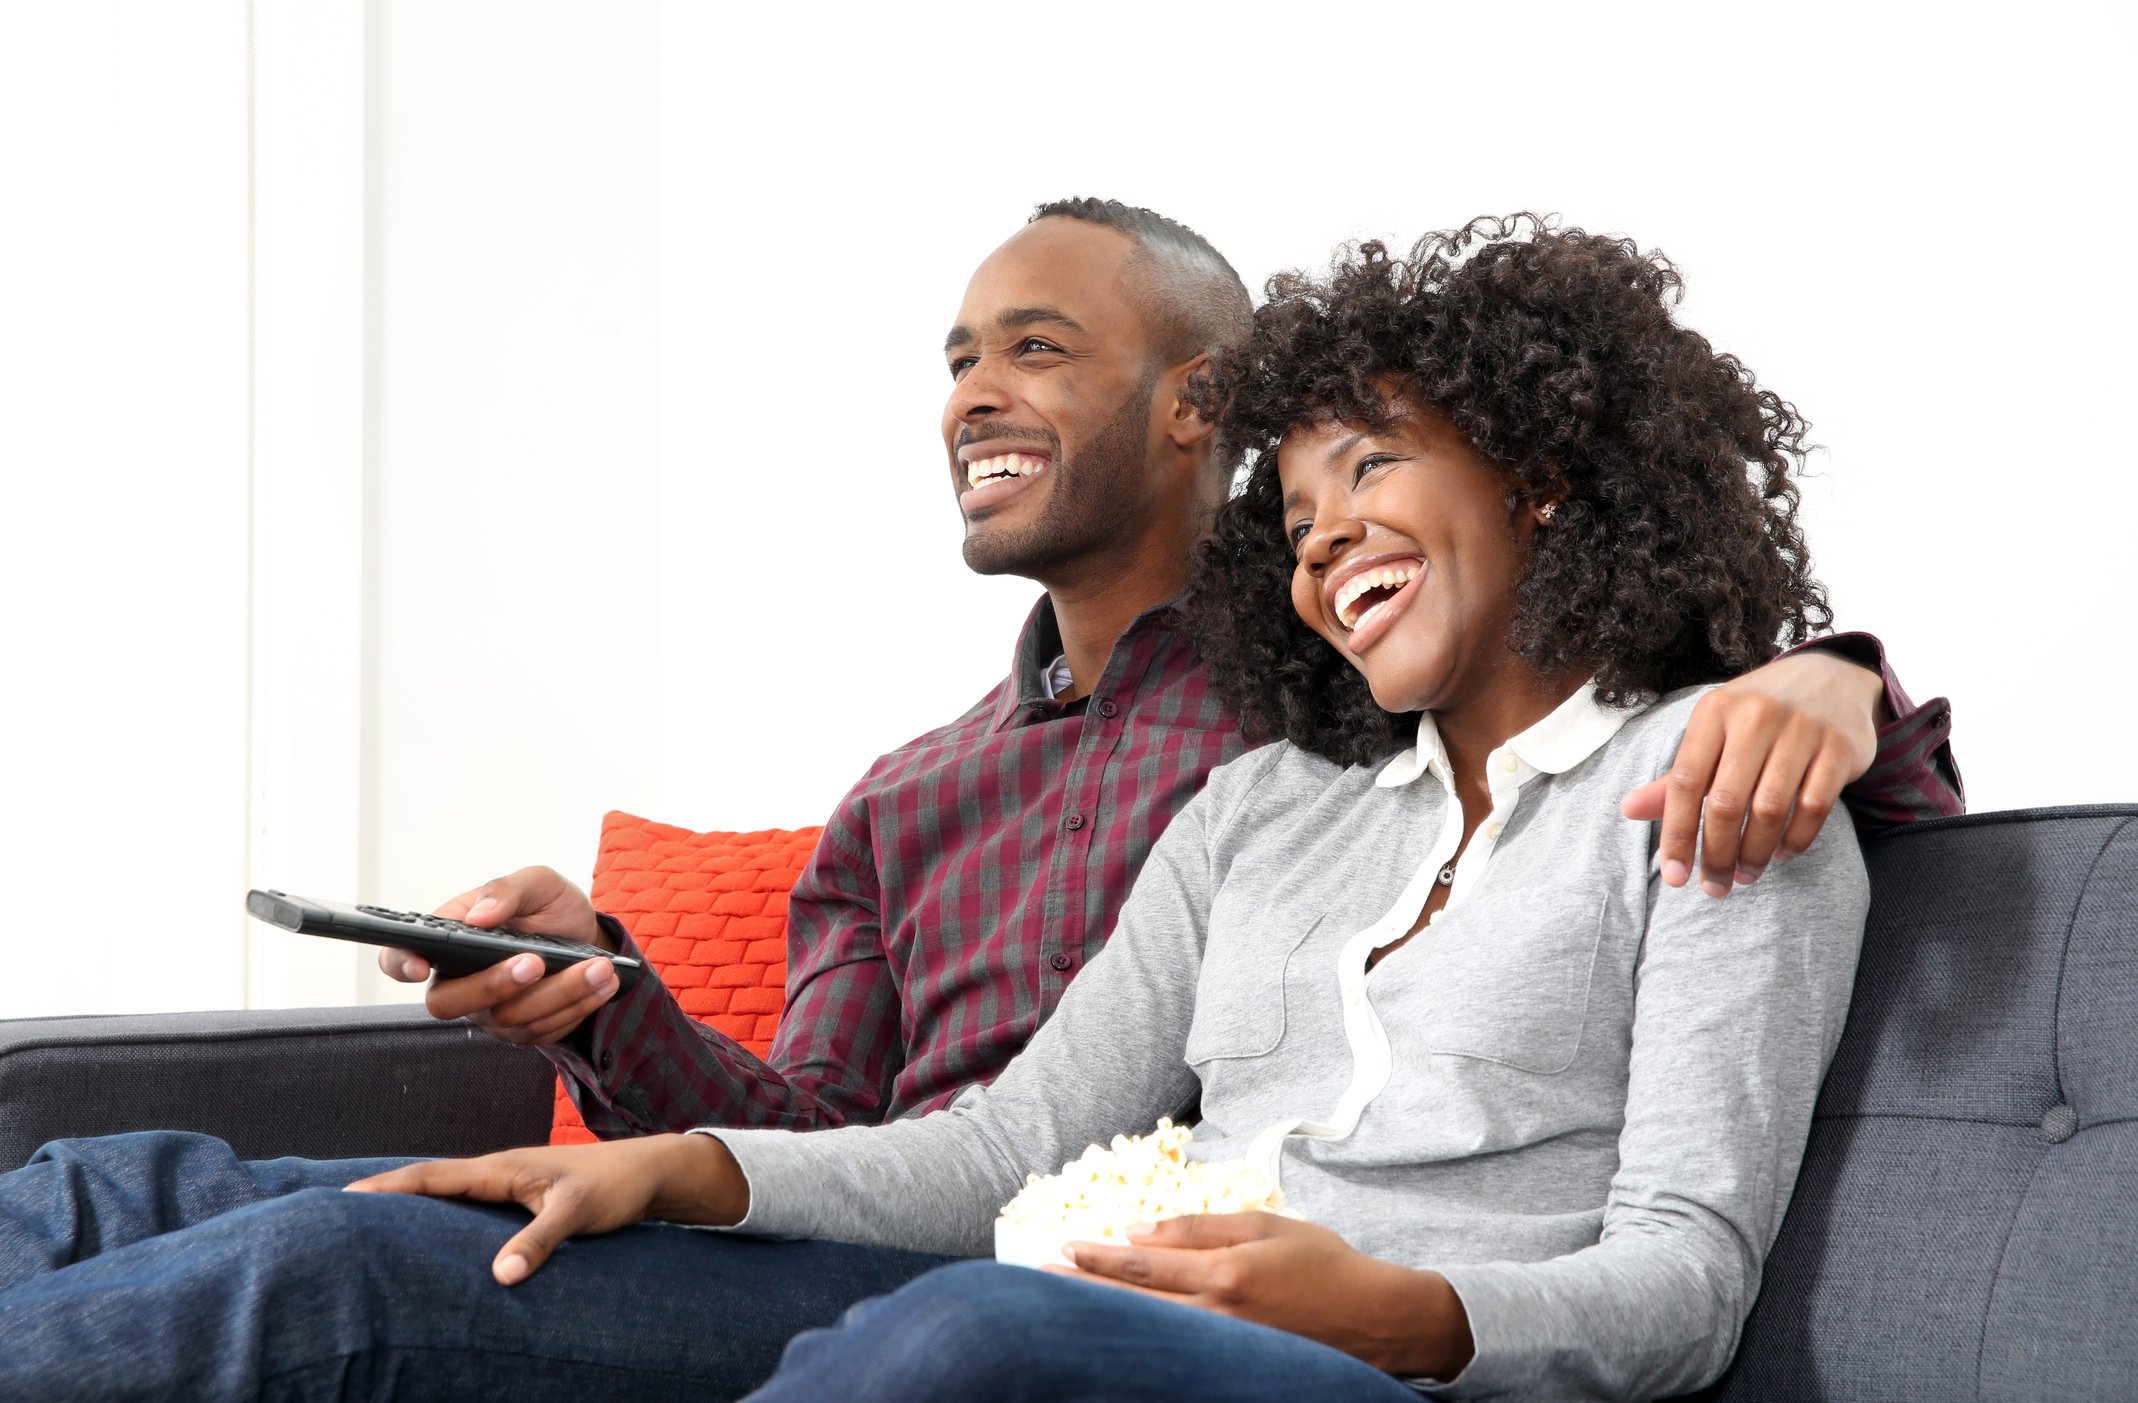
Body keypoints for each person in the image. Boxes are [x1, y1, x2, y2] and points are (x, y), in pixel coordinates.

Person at [0, 207, 1932, 1401]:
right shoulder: (1260, 808)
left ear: (1548, 478)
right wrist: (675, 1147)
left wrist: (1822, 673)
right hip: (1042, 1280)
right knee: (158, 1190)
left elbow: (1684, 1276)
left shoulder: (1719, 792)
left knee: (954, 1338)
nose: (1327, 519)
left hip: (1311, 1353)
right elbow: (1000, 1143)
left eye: (1375, 463)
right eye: (1307, 493)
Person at [382, 198, 1957, 1140]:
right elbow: (824, 1142)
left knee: (315, 1269)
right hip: (885, 1233)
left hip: (1162, 1273)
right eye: (956, 361)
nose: (971, 398)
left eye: (1036, 348)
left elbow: (1629, 733)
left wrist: (1839, 677)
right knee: (197, 1192)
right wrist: (604, 989)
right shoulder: (900, 803)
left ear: (1201, 400)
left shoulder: (1344, 713)